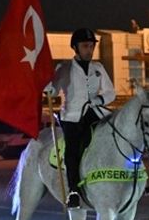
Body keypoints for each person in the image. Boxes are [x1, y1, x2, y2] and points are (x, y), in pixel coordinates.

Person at [46, 28, 116, 208]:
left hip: (94, 112)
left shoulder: (98, 68)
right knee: (72, 151)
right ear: (75, 47)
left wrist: (99, 99)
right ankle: (74, 191)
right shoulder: (64, 67)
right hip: (72, 116)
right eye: (85, 46)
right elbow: (52, 90)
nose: (89, 50)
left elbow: (110, 93)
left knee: (117, 135)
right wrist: (45, 84)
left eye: (91, 46)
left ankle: (133, 177)